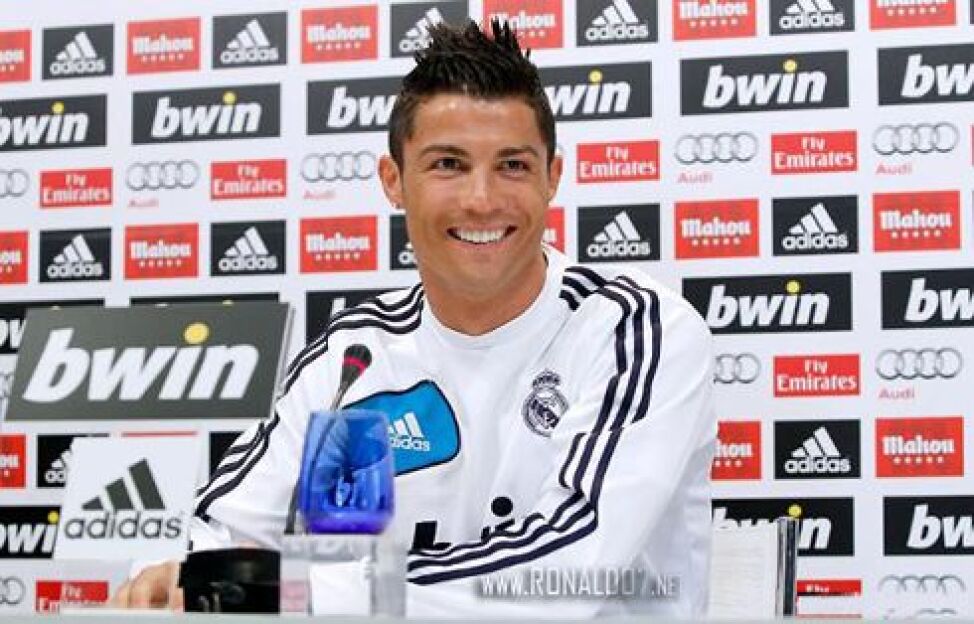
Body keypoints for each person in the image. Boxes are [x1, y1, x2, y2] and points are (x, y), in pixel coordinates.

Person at [111, 19, 716, 617]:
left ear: (552, 178)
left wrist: (298, 590)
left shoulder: (636, 330)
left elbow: (560, 578)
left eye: (512, 165)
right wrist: (176, 573)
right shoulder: (353, 356)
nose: (482, 199)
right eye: (449, 164)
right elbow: (224, 532)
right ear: (394, 181)